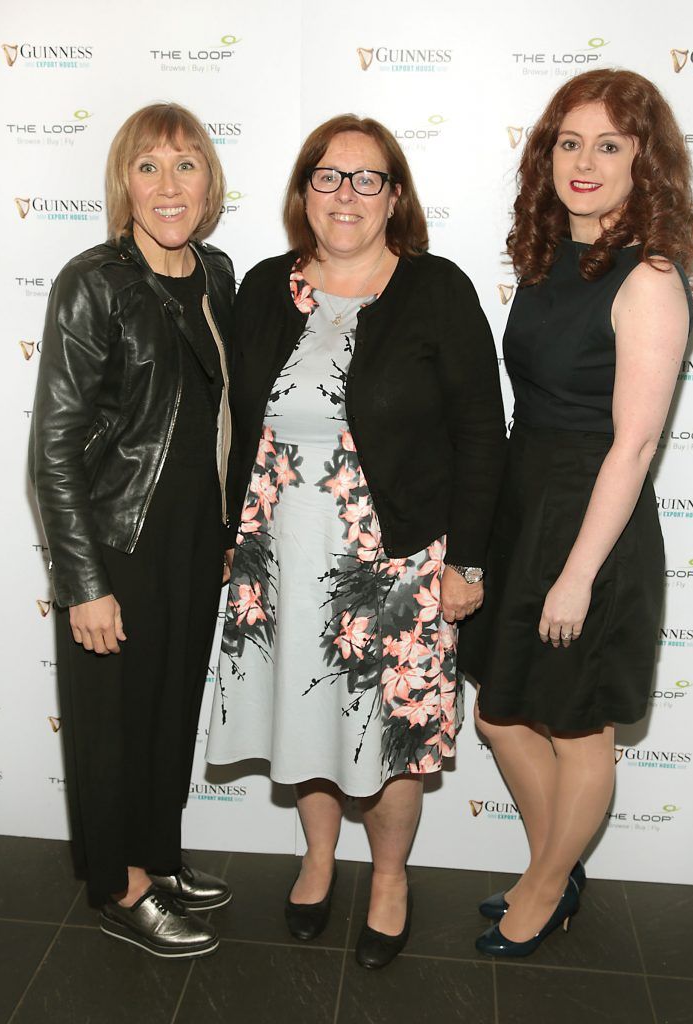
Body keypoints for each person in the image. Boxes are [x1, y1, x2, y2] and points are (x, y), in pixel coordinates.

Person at [206, 113, 505, 968]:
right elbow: (232, 420)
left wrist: (468, 562)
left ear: (394, 196)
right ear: (304, 192)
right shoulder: (264, 286)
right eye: (328, 176)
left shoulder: (435, 290)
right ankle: (314, 859)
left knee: (395, 735)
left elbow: (482, 435)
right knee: (302, 720)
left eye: (366, 178)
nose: (346, 194)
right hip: (278, 556)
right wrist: (230, 533)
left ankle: (388, 878)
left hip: (398, 563)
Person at [457, 69, 693, 957]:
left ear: (645, 161)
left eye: (608, 144)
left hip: (591, 522)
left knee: (578, 727)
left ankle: (545, 885)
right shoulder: (549, 258)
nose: (584, 161)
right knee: (498, 713)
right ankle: (553, 867)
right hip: (527, 503)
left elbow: (633, 447)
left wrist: (575, 574)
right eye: (569, 142)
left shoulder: (646, 277)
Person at [30, 103, 237, 958]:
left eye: (185, 165)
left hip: (194, 539)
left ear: (208, 182)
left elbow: (223, 415)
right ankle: (120, 888)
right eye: (148, 167)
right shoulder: (96, 281)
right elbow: (52, 447)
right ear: (124, 182)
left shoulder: (217, 272)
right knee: (112, 723)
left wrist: (226, 531)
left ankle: (157, 854)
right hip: (118, 540)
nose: (167, 184)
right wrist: (83, 582)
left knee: (167, 712)